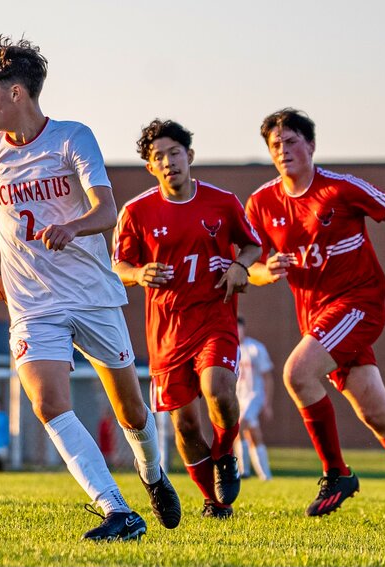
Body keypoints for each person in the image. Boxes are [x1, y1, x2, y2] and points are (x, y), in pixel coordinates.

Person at [0, 35, 180, 540]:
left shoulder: (72, 138)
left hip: (92, 295)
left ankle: (151, 474)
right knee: (46, 402)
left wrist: (74, 226)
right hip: (33, 304)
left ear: (17, 93)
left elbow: (106, 209)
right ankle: (116, 510)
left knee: (130, 408)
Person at [245, 108, 385, 520]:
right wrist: (262, 272)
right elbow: (250, 265)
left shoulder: (340, 189)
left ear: (310, 145)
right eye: (275, 145)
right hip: (318, 318)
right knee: (377, 414)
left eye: (291, 142)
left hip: (358, 305)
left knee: (296, 373)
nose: (283, 150)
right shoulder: (261, 202)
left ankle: (336, 473)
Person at [112, 119, 262, 519]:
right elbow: (119, 265)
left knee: (218, 389)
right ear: (150, 167)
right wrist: (137, 273)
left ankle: (226, 452)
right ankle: (214, 504)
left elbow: (251, 245)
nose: (168, 161)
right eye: (157, 157)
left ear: (190, 156)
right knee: (186, 427)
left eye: (174, 152)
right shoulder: (136, 212)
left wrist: (239, 266)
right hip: (167, 334)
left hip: (215, 318)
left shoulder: (222, 201)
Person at [234, 316, 274, 481]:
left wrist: (267, 403)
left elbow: (267, 377)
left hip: (254, 395)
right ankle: (265, 474)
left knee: (240, 424)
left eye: (239, 328)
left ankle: (244, 471)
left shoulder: (256, 348)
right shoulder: (230, 348)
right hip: (238, 396)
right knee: (252, 433)